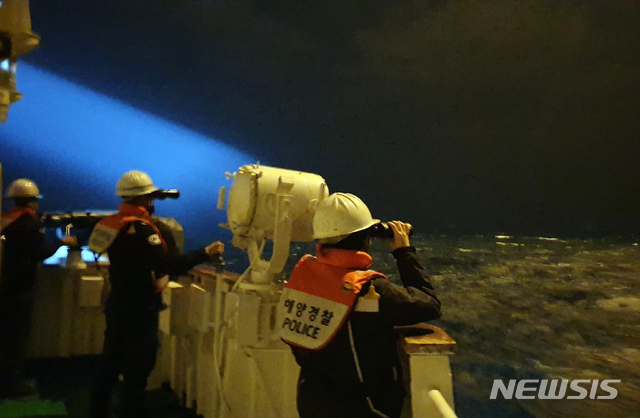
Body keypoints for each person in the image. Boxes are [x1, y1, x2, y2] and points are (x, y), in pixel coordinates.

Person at [278, 192, 441, 418]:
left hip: (311, 401)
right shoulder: (370, 288)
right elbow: (429, 304)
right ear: (364, 238)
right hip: (363, 408)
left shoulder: (305, 276)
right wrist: (404, 252)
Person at [88, 170, 224, 418]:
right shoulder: (143, 231)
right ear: (146, 200)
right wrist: (205, 253)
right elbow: (167, 265)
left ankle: (98, 411)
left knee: (110, 365)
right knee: (137, 372)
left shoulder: (114, 225)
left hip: (117, 304)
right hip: (140, 311)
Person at [0, 178, 78, 398]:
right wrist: (62, 242)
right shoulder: (29, 225)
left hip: (5, 285)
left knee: (6, 337)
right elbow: (39, 253)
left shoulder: (6, 220)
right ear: (33, 201)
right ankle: (12, 386)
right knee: (17, 339)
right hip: (20, 289)